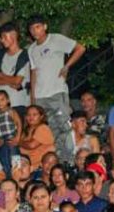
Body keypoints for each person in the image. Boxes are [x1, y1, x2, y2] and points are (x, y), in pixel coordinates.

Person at [26, 16, 85, 154]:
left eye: (38, 27)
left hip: (56, 92)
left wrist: (66, 66)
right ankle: (60, 158)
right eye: (32, 28)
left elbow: (80, 48)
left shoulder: (56, 39)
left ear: (45, 26)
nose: (35, 31)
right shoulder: (31, 49)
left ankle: (71, 158)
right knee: (50, 129)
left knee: (64, 126)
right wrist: (33, 98)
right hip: (40, 96)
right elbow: (33, 72)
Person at [0, 22, 31, 115]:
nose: (2, 40)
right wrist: (9, 81)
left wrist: (1, 76)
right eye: (1, 37)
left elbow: (17, 81)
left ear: (14, 35)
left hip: (20, 103)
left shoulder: (25, 55)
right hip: (2, 105)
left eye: (4, 36)